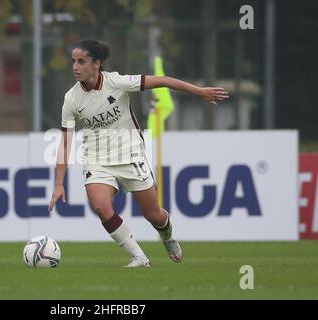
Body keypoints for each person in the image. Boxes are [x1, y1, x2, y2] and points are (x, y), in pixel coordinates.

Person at [48, 39, 229, 267]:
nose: (75, 66)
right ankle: (139, 256)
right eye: (73, 61)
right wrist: (58, 184)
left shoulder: (117, 82)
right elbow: (65, 143)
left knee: (153, 215)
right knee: (101, 207)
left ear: (96, 63)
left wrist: (199, 91)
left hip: (131, 154)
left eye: (81, 61)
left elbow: (162, 81)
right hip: (96, 160)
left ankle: (168, 236)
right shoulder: (71, 99)